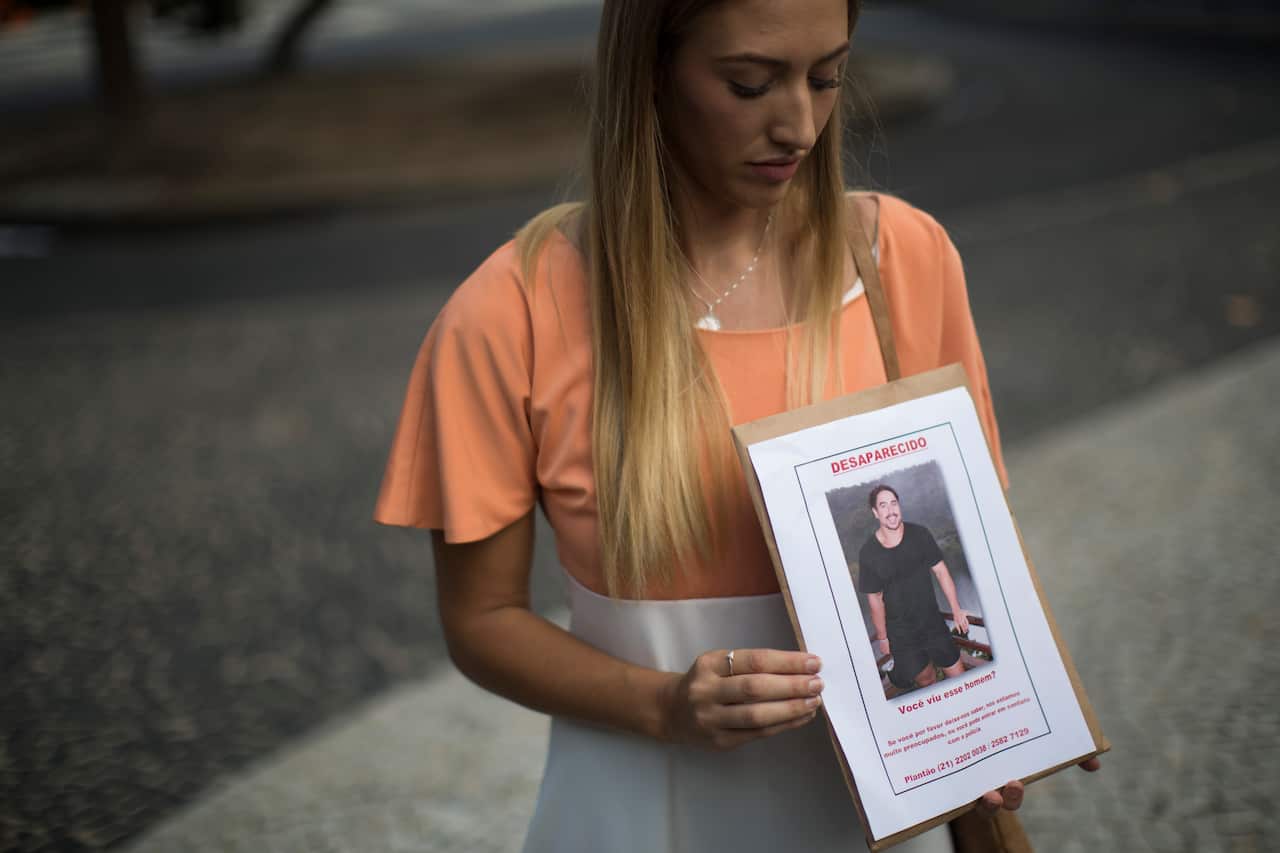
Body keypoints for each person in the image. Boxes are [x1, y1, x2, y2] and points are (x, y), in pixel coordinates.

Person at [375, 1, 1097, 850]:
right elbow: (482, 617)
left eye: (828, 76)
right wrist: (663, 704)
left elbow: (981, 547)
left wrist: (995, 724)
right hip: (641, 812)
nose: (799, 123)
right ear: (649, 70)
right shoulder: (511, 312)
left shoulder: (906, 257)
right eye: (750, 84)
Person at [860, 484, 970, 693]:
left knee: (959, 678)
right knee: (926, 680)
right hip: (901, 634)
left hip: (932, 623)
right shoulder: (868, 553)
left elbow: (941, 571)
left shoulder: (920, 534)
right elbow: (874, 599)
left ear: (899, 506)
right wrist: (883, 637)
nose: (890, 511)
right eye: (883, 506)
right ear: (875, 512)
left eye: (894, 503)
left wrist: (956, 609)